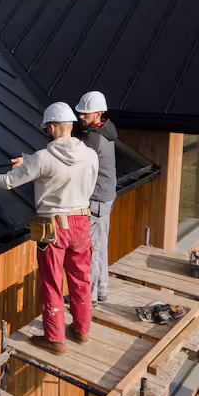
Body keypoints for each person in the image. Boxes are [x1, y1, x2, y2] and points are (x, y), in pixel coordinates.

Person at [0, 102, 98, 353]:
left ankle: (55, 338)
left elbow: (8, 181)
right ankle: (82, 329)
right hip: (83, 223)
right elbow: (67, 169)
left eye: (47, 127)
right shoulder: (90, 154)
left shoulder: (44, 158)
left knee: (52, 282)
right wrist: (30, 160)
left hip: (55, 227)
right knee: (81, 279)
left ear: (53, 127)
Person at [75, 91, 117, 307]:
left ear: (99, 114)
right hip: (105, 197)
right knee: (101, 246)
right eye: (79, 112)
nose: (80, 116)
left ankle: (89, 298)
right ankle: (100, 291)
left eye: (85, 113)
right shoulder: (106, 130)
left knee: (92, 250)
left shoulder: (94, 139)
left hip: (98, 200)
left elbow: (70, 156)